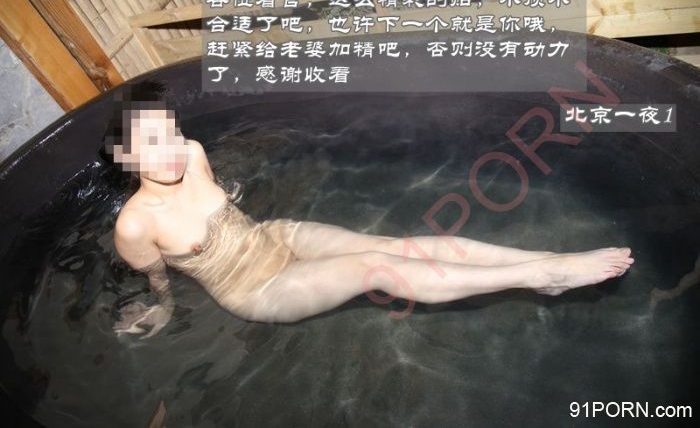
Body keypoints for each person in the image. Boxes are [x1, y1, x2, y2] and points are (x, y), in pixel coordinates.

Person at [102, 80, 634, 339]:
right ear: (127, 159)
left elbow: (224, 208)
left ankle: (544, 261)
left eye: (171, 132)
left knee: (399, 247)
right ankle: (540, 277)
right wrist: (163, 308)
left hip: (276, 236)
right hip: (255, 288)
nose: (171, 149)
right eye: (152, 145)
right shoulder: (135, 224)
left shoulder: (192, 154)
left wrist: (231, 205)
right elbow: (158, 276)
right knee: (374, 269)